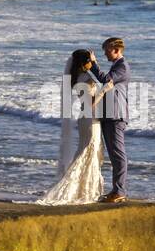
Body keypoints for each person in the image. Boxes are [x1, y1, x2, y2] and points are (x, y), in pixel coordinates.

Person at [37, 49, 113, 205]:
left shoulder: (78, 77)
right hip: (90, 119)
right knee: (88, 152)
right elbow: (91, 103)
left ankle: (84, 189)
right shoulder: (85, 78)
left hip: (86, 118)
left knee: (87, 151)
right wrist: (105, 89)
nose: (92, 63)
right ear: (84, 62)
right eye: (90, 61)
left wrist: (96, 63)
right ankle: (81, 189)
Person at [90, 37, 129, 203]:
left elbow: (105, 80)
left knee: (117, 154)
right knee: (114, 154)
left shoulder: (122, 66)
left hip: (115, 115)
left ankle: (119, 191)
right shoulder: (117, 65)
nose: (105, 53)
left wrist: (93, 64)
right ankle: (116, 190)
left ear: (116, 49)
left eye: (106, 50)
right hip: (109, 114)